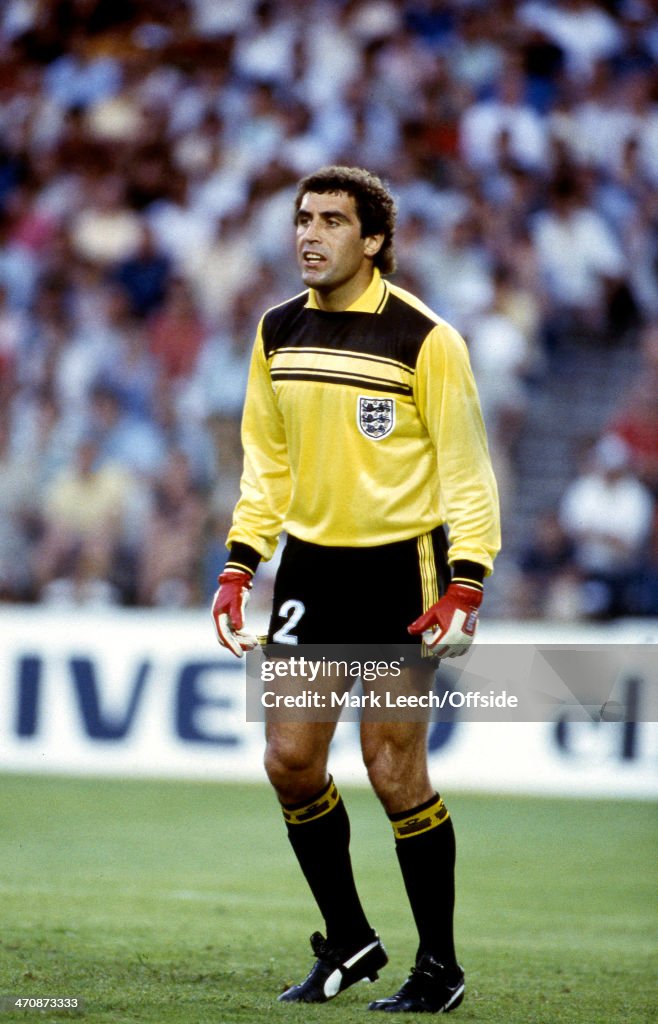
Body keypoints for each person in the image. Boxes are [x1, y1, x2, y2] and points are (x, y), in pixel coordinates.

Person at [211, 166, 500, 1014]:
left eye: (332, 221)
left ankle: (439, 967)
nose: (310, 234)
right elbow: (266, 462)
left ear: (373, 241)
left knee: (392, 769)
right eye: (304, 218)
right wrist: (240, 562)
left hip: (399, 571)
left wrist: (467, 582)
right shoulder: (276, 330)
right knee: (290, 763)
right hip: (309, 570)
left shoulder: (426, 338)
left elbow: (466, 471)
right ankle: (350, 939)